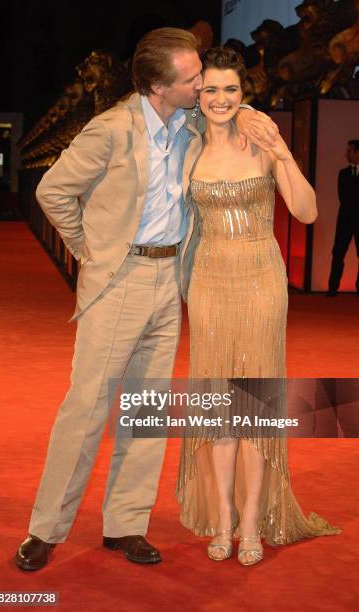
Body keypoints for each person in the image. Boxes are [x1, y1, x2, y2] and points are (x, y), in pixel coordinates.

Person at [15, 28, 279, 571]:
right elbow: (53, 190)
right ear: (159, 85)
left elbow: (229, 110)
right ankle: (45, 529)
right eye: (191, 79)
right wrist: (91, 250)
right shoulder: (111, 129)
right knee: (86, 409)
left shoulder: (187, 124)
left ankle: (126, 525)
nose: (201, 85)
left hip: (170, 284)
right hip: (119, 282)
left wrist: (251, 115)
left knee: (146, 411)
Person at [176, 46, 341, 566]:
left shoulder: (264, 141)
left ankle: (250, 522)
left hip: (260, 282)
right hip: (208, 282)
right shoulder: (188, 148)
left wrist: (282, 150)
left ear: (243, 93)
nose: (221, 99)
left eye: (231, 90)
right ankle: (222, 519)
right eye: (211, 90)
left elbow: (308, 211)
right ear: (197, 96)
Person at [327, 139, 359, 297]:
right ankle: (332, 288)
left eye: (350, 151)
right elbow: (343, 197)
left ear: (357, 152)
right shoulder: (343, 174)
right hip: (345, 220)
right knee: (338, 253)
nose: (346, 154)